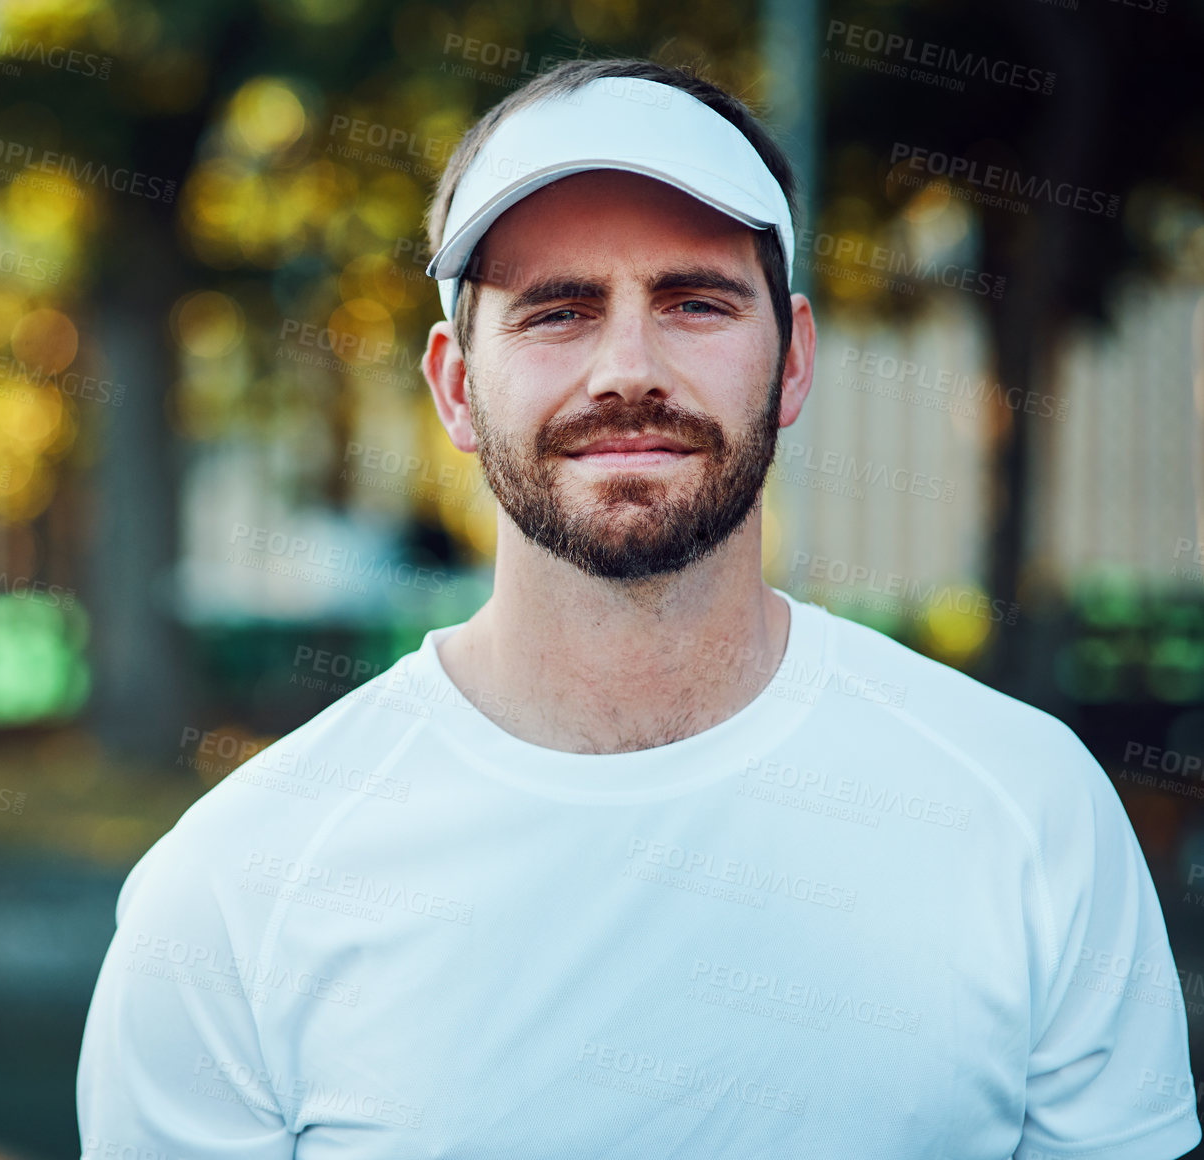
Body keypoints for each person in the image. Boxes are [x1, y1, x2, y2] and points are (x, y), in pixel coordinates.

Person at [76, 57, 1199, 1159]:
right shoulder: (234, 884)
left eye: (694, 300)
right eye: (556, 310)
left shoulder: (1027, 808)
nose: (628, 367)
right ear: (456, 387)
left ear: (793, 361)